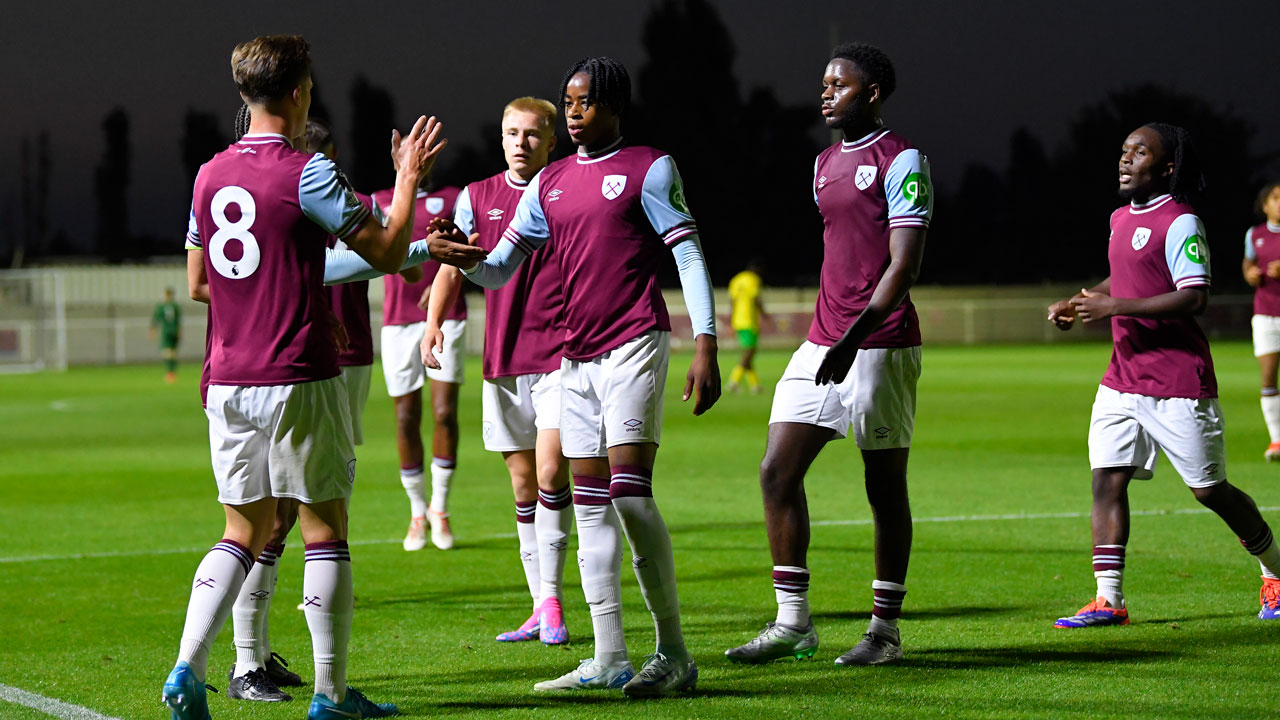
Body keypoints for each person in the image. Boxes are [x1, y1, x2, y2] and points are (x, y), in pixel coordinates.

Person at [163, 34, 447, 720]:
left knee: (240, 531)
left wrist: (279, 289)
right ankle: (330, 695)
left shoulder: (208, 174)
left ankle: (187, 670)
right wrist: (407, 178)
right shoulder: (309, 171)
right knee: (327, 529)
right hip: (297, 372)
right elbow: (383, 250)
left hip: (229, 377)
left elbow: (199, 282)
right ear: (298, 92)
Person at [431, 57, 720, 697]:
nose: (573, 111)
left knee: (630, 497)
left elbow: (689, 254)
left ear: (613, 104)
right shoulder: (551, 182)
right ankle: (610, 655)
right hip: (574, 359)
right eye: (568, 101)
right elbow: (501, 268)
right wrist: (462, 254)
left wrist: (706, 340)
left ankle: (673, 652)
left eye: (584, 101)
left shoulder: (649, 167)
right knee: (589, 508)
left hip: (635, 344)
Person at [724, 42, 932, 667]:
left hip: (880, 343)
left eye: (839, 84)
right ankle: (794, 623)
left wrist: (858, 332)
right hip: (823, 339)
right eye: (823, 84)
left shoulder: (904, 159)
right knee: (775, 470)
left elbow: (905, 264)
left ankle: (884, 631)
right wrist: (834, 333)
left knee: (883, 485)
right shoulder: (821, 164)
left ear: (871, 93)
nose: (825, 93)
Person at [1047, 123, 1280, 627]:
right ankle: (1108, 601)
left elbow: (1195, 296)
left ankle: (1275, 570)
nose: (1125, 160)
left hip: (1178, 381)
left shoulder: (1181, 222)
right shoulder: (1118, 218)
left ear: (1167, 167)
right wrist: (1081, 299)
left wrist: (1116, 307)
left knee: (1209, 490)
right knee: (1106, 481)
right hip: (1121, 379)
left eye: (1139, 152)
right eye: (1123, 150)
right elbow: (1124, 276)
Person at [421, 97, 572, 645]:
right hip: (503, 355)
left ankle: (553, 601)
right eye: (512, 132)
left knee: (554, 474)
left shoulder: (565, 191)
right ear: (501, 135)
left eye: (533, 134)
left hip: (561, 352)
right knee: (523, 483)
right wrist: (434, 321)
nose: (521, 142)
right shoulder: (476, 196)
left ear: (551, 141)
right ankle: (539, 606)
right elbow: (451, 265)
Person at [372, 179, 465, 552]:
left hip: (447, 317)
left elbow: (470, 242)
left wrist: (445, 282)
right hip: (397, 321)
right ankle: (416, 511)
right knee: (405, 418)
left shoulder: (453, 198)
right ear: (397, 158)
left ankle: (439, 508)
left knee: (444, 413)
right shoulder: (380, 201)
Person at [1242, 180, 1280, 460]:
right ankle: (1276, 440)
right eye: (1276, 198)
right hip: (1265, 316)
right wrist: (1250, 275)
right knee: (1268, 377)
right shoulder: (1255, 234)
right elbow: (1248, 264)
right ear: (1265, 205)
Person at [727, 260, 769, 393]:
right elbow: (756, 298)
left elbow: (732, 301)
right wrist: (764, 314)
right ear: (757, 269)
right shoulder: (753, 279)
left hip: (738, 321)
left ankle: (755, 386)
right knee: (749, 352)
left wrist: (731, 321)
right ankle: (733, 381)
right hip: (749, 321)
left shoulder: (736, 280)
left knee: (748, 353)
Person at [152, 287, 183, 383]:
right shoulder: (175, 306)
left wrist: (153, 329)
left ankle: (170, 373)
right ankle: (172, 373)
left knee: (168, 353)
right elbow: (178, 321)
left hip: (167, 332)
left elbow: (156, 319)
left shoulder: (162, 306)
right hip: (173, 331)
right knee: (173, 353)